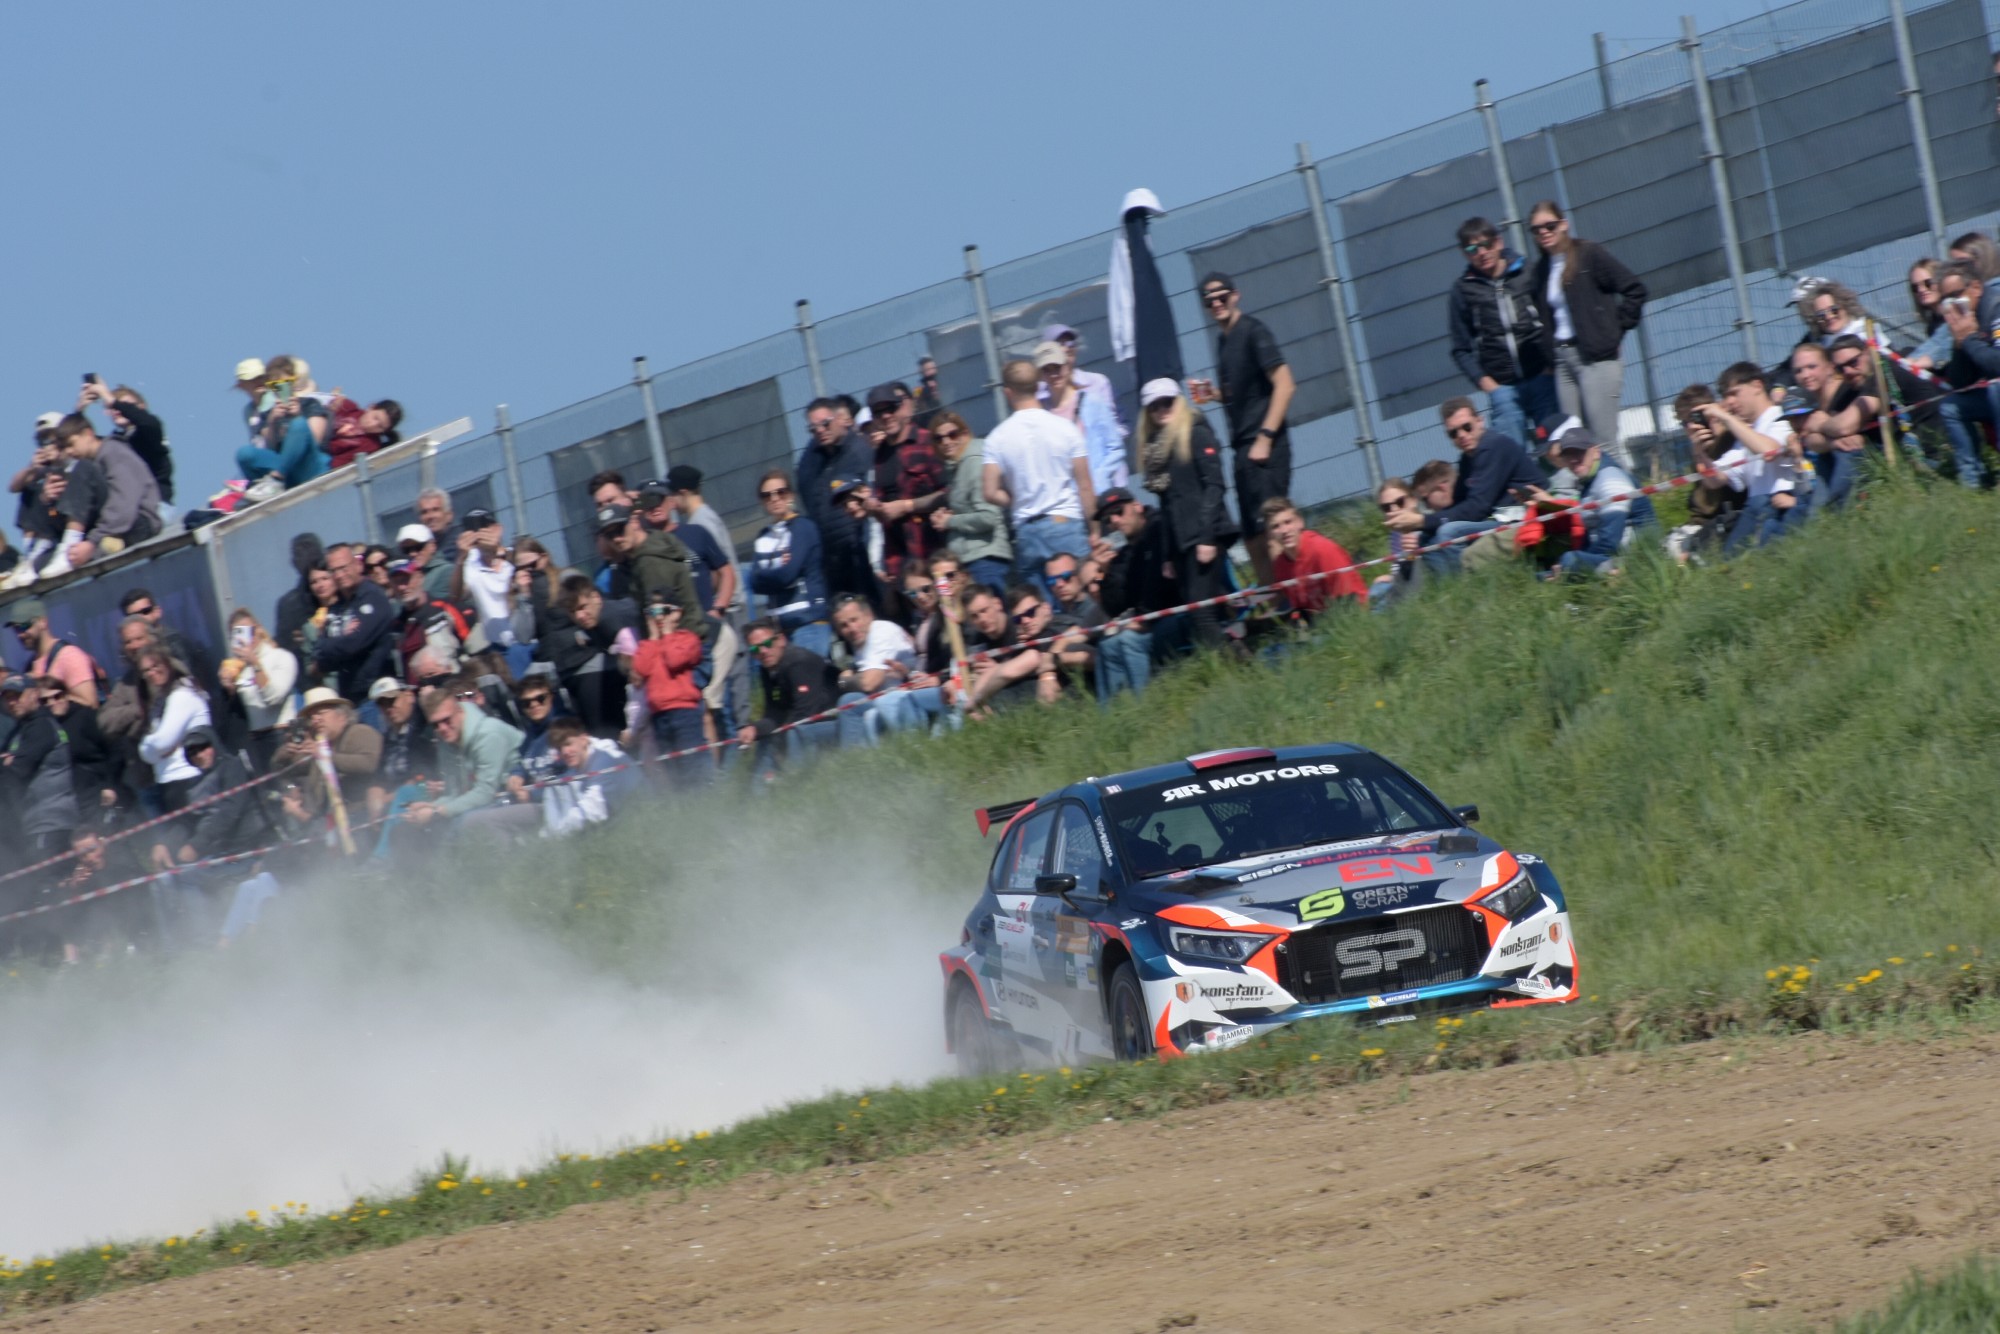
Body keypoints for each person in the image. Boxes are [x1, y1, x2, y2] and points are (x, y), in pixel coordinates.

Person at [1189, 272, 1294, 587]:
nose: (1216, 304)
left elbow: (1285, 385)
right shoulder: (1224, 340)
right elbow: (1243, 392)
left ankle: (1292, 598)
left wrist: (1266, 437)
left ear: (1236, 295)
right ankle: (1273, 600)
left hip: (1264, 446)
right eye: (1209, 301)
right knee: (1252, 536)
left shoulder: (1253, 331)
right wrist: (1214, 395)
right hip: (1242, 449)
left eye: (1221, 297)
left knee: (1273, 529)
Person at [1526, 201, 1646, 468]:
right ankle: (1593, 492)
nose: (1543, 232)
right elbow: (1543, 319)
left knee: (1603, 441)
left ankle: (1626, 492)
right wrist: (1550, 354)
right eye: (1536, 230)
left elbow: (1634, 289)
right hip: (1563, 360)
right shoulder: (1541, 270)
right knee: (1572, 443)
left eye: (1549, 226)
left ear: (1564, 225)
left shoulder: (1588, 254)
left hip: (1596, 358)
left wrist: (1614, 332)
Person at [1383, 399, 1543, 574]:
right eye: (1453, 433)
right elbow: (1460, 504)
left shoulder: (1494, 446)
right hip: (1498, 520)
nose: (1461, 435)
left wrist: (1421, 521)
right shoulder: (1467, 460)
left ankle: (1466, 584)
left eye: (1467, 427)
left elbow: (1477, 507)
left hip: (1523, 518)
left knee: (1447, 532)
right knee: (1426, 538)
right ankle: (1446, 585)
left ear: (1480, 421)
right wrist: (1419, 529)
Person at [1134, 379, 1236, 650]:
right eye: (1154, 406)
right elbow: (1167, 505)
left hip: (1203, 535)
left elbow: (1215, 486)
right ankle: (1237, 653)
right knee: (1201, 610)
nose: (1161, 410)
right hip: (1181, 542)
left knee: (1201, 611)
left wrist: (1207, 537)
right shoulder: (1157, 450)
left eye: (1167, 402)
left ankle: (1233, 662)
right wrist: (1168, 555)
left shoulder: (1196, 432)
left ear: (1178, 402)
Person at [1448, 217, 1558, 452]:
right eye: (1472, 249)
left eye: (1486, 244)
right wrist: (1489, 386)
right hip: (1502, 388)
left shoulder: (1528, 272)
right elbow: (1460, 349)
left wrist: (1550, 366)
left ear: (1498, 242)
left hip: (1542, 376)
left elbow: (1553, 318)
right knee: (1511, 455)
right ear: (1465, 254)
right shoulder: (1462, 290)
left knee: (1555, 446)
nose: (1482, 253)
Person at [984, 359, 1096, 577]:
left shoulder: (996, 439)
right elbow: (1085, 486)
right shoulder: (1066, 428)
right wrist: (1095, 529)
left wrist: (1016, 499)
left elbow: (989, 491)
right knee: (1080, 589)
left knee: (1037, 599)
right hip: (1066, 521)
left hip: (1028, 530)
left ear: (1008, 393)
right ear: (1037, 387)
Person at [1701, 362, 1811, 552]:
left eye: (1734, 393)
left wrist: (1727, 418)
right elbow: (1714, 479)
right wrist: (1699, 450)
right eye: (1726, 396)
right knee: (1730, 560)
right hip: (1755, 506)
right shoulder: (1747, 434)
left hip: (1779, 501)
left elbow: (1768, 451)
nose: (1729, 402)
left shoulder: (1780, 417)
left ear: (1757, 386)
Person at [44, 413, 163, 575]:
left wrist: (92, 542)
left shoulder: (113, 452)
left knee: (83, 469)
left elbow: (124, 507)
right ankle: (86, 549)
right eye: (64, 448)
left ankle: (74, 549)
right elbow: (61, 522)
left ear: (88, 433)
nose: (69, 451)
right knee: (41, 564)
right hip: (106, 530)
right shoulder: (83, 469)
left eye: (71, 444)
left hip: (137, 523)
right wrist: (51, 504)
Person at [399, 688, 524, 833]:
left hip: (514, 795)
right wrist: (430, 806)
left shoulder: (488, 733)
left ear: (459, 712)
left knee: (458, 825)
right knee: (405, 829)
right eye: (435, 724)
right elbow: (454, 792)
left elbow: (486, 792)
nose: (442, 728)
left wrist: (436, 813)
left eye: (446, 720)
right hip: (488, 800)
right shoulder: (445, 740)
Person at [1090, 489, 1176, 697]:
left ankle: (1144, 703)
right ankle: (1115, 712)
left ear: (1137, 506)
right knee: (1107, 645)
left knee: (1128, 639)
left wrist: (1143, 619)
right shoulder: (1122, 551)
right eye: (1108, 519)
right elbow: (1117, 607)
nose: (1115, 521)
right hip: (1150, 620)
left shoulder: (1159, 527)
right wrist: (1105, 573)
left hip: (1178, 612)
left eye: (1119, 511)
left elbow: (1163, 583)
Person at [860, 381, 948, 579]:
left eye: (890, 408)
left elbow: (949, 493)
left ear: (901, 408)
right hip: (902, 564)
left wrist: (907, 506)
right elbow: (884, 511)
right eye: (878, 412)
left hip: (937, 556)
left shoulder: (928, 442)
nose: (886, 416)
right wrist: (874, 509)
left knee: (947, 600)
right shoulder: (879, 457)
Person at [735, 618, 843, 778]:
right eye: (755, 649)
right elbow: (774, 713)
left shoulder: (799, 662)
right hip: (806, 725)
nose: (762, 651)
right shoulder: (768, 669)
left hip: (835, 723)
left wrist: (781, 742)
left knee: (793, 733)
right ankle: (759, 790)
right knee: (766, 736)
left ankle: (793, 784)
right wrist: (754, 729)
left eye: (767, 643)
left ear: (781, 639)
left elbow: (806, 713)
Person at [794, 397, 876, 601]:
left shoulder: (860, 451)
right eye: (813, 429)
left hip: (860, 553)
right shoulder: (811, 459)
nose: (820, 431)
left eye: (825, 424)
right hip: (830, 558)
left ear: (840, 419)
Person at [1525, 430, 1638, 576]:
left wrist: (1579, 561)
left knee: (1568, 560)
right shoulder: (1588, 480)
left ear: (1595, 452)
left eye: (1579, 452)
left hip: (1630, 555)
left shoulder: (1609, 479)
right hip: (1608, 555)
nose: (1573, 460)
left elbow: (1610, 540)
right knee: (1540, 576)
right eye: (1567, 455)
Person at [747, 469, 832, 658]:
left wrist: (768, 573)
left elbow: (788, 575)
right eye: (767, 495)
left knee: (810, 675)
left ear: (791, 495)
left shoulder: (803, 527)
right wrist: (779, 569)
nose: (775, 498)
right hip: (780, 629)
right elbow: (754, 582)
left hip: (808, 622)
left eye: (781, 492)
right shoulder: (763, 537)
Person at [598, 503, 710, 644]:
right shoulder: (657, 539)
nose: (616, 539)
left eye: (620, 530)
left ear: (634, 522)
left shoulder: (650, 563)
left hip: (685, 645)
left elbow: (660, 619)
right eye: (610, 535)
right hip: (693, 637)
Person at [1932, 257, 2000, 488]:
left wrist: (1970, 339)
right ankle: (1972, 481)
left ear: (1976, 287)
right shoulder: (1965, 319)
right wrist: (1960, 344)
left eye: (1955, 295)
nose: (1951, 304)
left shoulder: (1996, 308)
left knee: (1996, 387)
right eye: (1945, 299)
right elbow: (1960, 383)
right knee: (1951, 407)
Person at [829, 592, 932, 744]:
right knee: (805, 732)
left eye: (854, 620)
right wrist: (852, 680)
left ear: (869, 615)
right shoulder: (860, 643)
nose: (852, 628)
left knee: (849, 701)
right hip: (882, 701)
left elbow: (869, 683)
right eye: (844, 625)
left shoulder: (881, 631)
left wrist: (845, 680)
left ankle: (854, 757)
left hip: (904, 700)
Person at [926, 410, 1012, 590]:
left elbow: (988, 517)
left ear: (965, 434)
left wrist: (950, 521)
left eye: (952, 434)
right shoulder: (957, 466)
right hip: (973, 559)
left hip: (985, 560)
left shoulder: (974, 463)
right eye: (939, 438)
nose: (946, 442)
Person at [1036, 340, 1128, 494]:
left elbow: (1115, 447)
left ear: (1067, 366)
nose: (1053, 375)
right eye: (1047, 370)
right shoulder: (1042, 413)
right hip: (1067, 499)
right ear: (1041, 375)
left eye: (1057, 367)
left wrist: (1100, 476)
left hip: (1099, 492)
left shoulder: (1091, 402)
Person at [630, 599, 708, 782]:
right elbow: (641, 668)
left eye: (664, 611)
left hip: (685, 712)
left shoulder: (688, 638)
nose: (659, 617)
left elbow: (674, 660)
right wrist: (653, 637)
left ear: (676, 613)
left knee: (692, 766)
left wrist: (667, 633)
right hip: (659, 715)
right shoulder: (648, 644)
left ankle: (702, 796)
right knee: (672, 771)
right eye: (652, 612)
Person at [543, 574, 628, 739]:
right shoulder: (595, 622)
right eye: (573, 612)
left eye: (583, 607)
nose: (579, 616)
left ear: (596, 597)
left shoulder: (609, 619)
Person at [313, 542, 398, 701]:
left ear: (358, 565)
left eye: (343, 568)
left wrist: (331, 643)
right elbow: (321, 658)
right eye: (333, 571)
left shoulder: (373, 597)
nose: (339, 575)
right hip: (349, 696)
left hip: (377, 694)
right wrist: (337, 642)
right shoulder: (336, 607)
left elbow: (353, 644)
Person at [218, 608, 299, 772]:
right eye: (238, 634)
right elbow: (237, 716)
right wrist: (229, 690)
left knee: (288, 784)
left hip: (281, 734)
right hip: (255, 740)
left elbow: (273, 697)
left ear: (259, 630)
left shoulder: (281, 657)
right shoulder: (238, 669)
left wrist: (255, 663)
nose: (246, 638)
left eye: (250, 631)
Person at [135, 648, 212, 814]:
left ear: (167, 664)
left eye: (156, 666)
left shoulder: (183, 694)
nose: (152, 673)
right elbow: (148, 752)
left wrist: (152, 745)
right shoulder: (160, 702)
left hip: (190, 779)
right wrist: (152, 747)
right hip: (169, 781)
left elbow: (162, 742)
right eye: (146, 670)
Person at [1263, 498, 1365, 621]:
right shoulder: (1280, 566)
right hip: (1318, 620)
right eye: (1276, 526)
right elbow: (1301, 608)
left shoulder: (1322, 550)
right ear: (1269, 534)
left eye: (1288, 522)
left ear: (1300, 522)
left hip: (1351, 614)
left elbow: (1348, 598)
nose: (1284, 530)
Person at [538, 718, 640, 837]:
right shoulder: (579, 767)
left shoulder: (604, 761)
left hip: (640, 821)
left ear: (584, 739)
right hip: (620, 824)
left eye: (568, 744)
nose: (565, 752)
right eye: (559, 748)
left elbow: (594, 809)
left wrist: (559, 835)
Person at [77, 380, 174, 505]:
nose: (117, 410)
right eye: (113, 408)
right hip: (125, 509)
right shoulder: (113, 443)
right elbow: (82, 445)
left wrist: (111, 400)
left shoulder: (149, 435)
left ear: (141, 407)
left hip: (155, 506)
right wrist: (80, 410)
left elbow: (148, 423)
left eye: (125, 405)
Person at [8, 598, 102, 709]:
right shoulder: (29, 666)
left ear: (43, 622)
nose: (20, 634)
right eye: (15, 629)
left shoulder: (68, 656)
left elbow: (91, 704)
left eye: (24, 626)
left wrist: (54, 695)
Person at [390, 557, 469, 677]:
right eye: (397, 582)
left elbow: (474, 646)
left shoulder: (445, 608)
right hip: (419, 686)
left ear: (420, 578)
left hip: (454, 681)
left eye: (406, 580)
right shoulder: (396, 626)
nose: (402, 587)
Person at [325, 398, 402, 470]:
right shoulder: (348, 407)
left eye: (380, 427)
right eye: (375, 418)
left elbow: (337, 464)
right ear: (371, 407)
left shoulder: (370, 445)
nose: (373, 425)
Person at [1795, 278, 1871, 346]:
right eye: (1821, 315)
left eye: (1834, 310)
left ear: (1846, 306)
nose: (1828, 317)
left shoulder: (1866, 333)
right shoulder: (1822, 345)